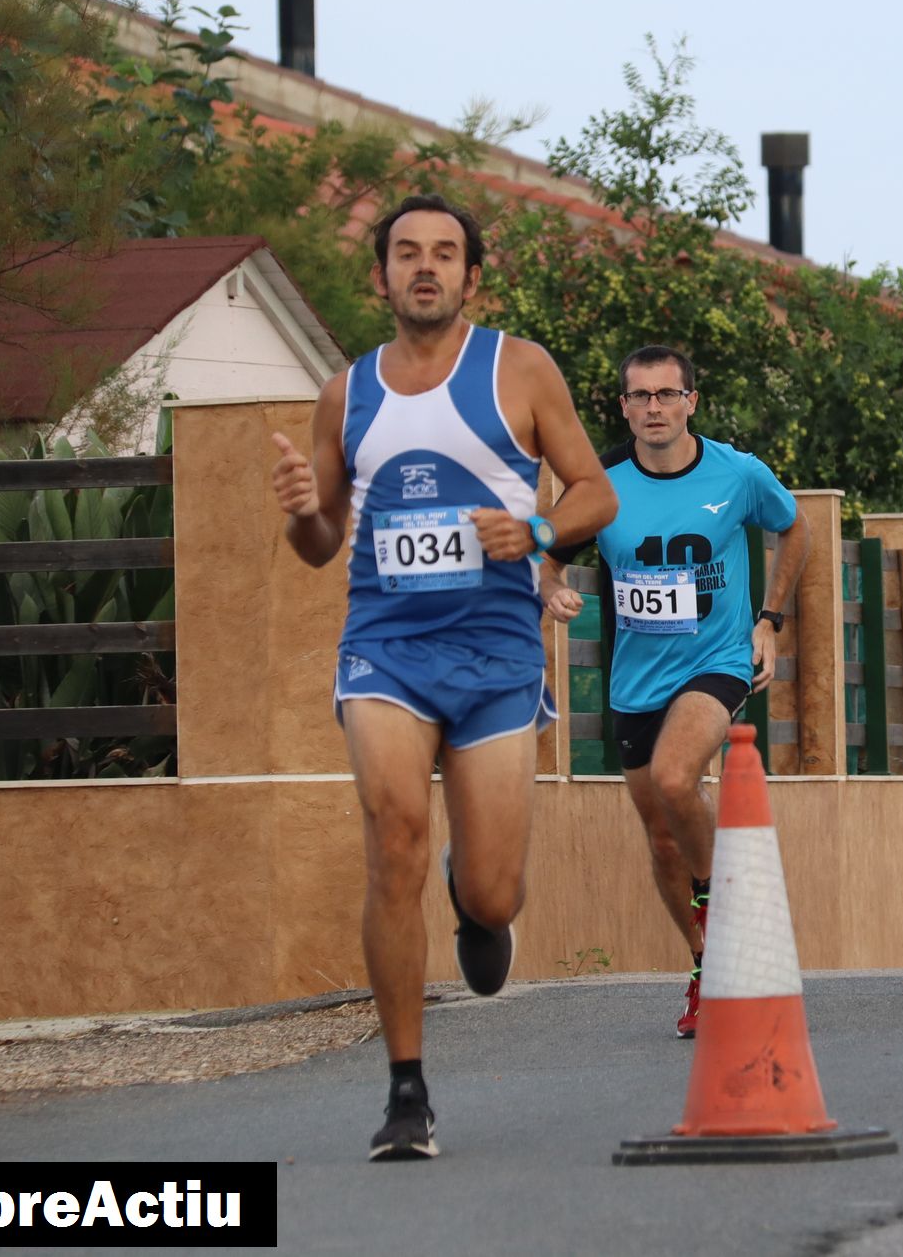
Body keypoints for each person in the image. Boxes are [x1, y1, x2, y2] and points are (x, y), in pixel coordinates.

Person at [270, 194, 619, 1160]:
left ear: (472, 276)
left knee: (496, 895)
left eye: (444, 253)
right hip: (385, 646)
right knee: (393, 838)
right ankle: (405, 1090)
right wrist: (301, 509)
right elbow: (320, 543)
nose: (425, 267)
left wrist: (537, 529)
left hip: (498, 650)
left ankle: (476, 898)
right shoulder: (346, 392)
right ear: (381, 275)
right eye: (407, 253)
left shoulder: (519, 368)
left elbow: (597, 491)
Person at [543, 345, 808, 1038]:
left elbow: (794, 526)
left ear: (691, 401)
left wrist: (769, 619)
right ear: (624, 407)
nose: (654, 407)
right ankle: (705, 966)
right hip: (636, 678)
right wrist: (549, 588)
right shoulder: (599, 484)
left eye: (667, 394)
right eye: (640, 396)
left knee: (674, 775)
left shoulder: (738, 473)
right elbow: (549, 553)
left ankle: (729, 919)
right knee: (661, 838)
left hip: (717, 660)